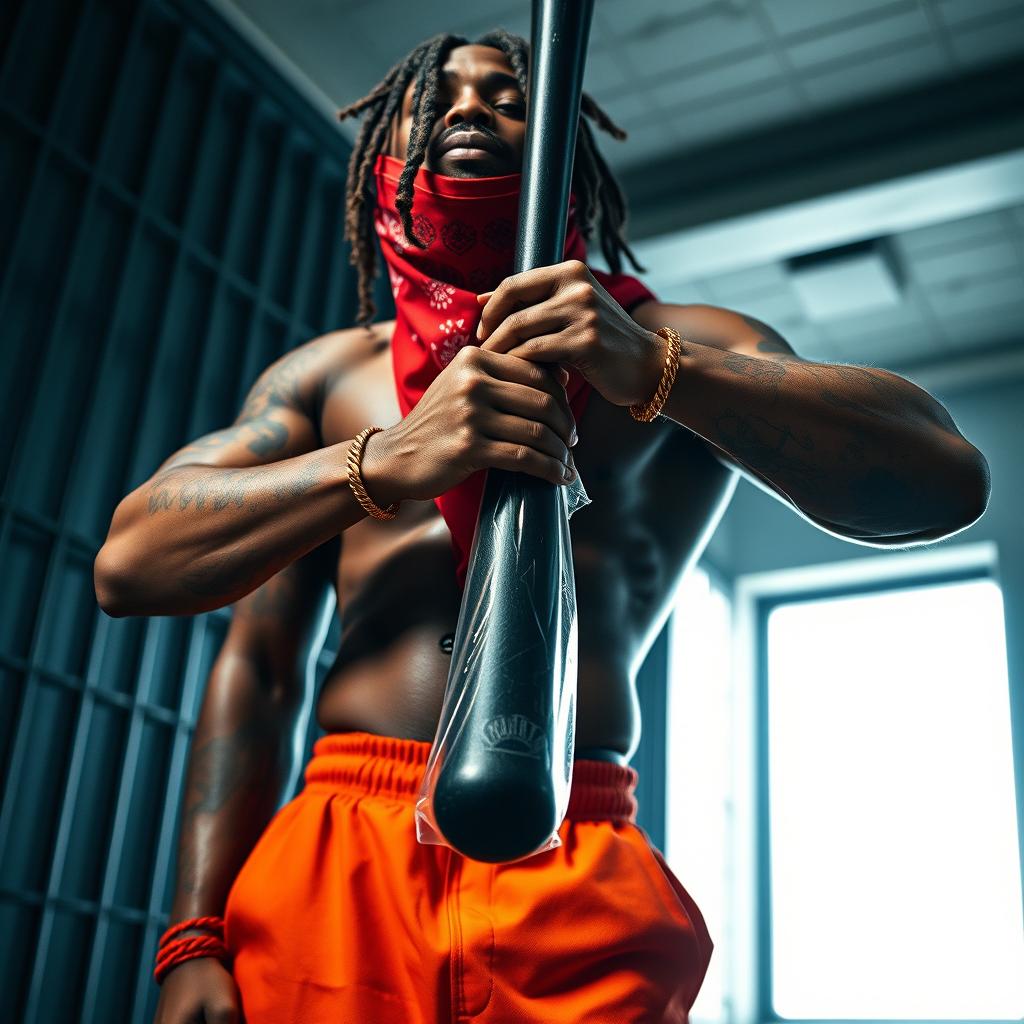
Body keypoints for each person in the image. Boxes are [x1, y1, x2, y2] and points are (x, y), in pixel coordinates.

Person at [93, 28, 990, 1024]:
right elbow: (150, 579)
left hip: (576, 839)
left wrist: (652, 372)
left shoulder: (676, 344)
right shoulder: (327, 377)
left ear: (567, 141)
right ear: (387, 148)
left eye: (508, 94)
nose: (468, 110)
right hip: (342, 843)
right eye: (438, 99)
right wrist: (193, 935)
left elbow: (943, 480)